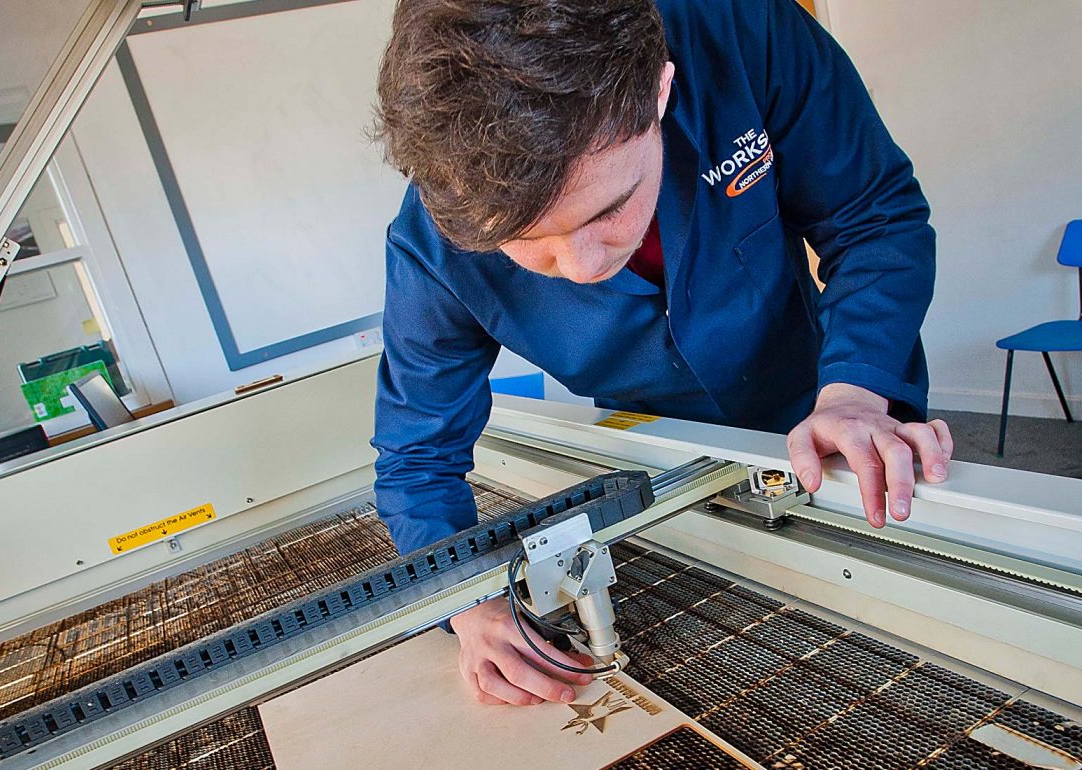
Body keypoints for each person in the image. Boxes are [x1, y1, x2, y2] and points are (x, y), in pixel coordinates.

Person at [370, 0, 953, 707]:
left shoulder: (742, 33)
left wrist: (857, 389)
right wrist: (466, 602)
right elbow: (416, 460)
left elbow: (874, 219)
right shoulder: (432, 241)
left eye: (607, 210)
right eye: (530, 244)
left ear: (660, 91)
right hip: (669, 458)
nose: (585, 267)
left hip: (837, 399)